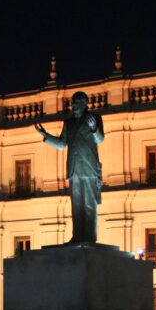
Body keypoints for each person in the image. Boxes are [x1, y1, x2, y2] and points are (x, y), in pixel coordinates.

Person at [35, 91, 105, 243]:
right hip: (74, 169)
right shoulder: (69, 123)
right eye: (73, 103)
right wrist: (46, 135)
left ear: (85, 103)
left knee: (89, 205)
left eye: (77, 103)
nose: (73, 106)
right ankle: (77, 236)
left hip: (89, 168)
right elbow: (61, 144)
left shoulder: (94, 118)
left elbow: (100, 139)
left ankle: (90, 238)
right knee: (77, 206)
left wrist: (94, 128)